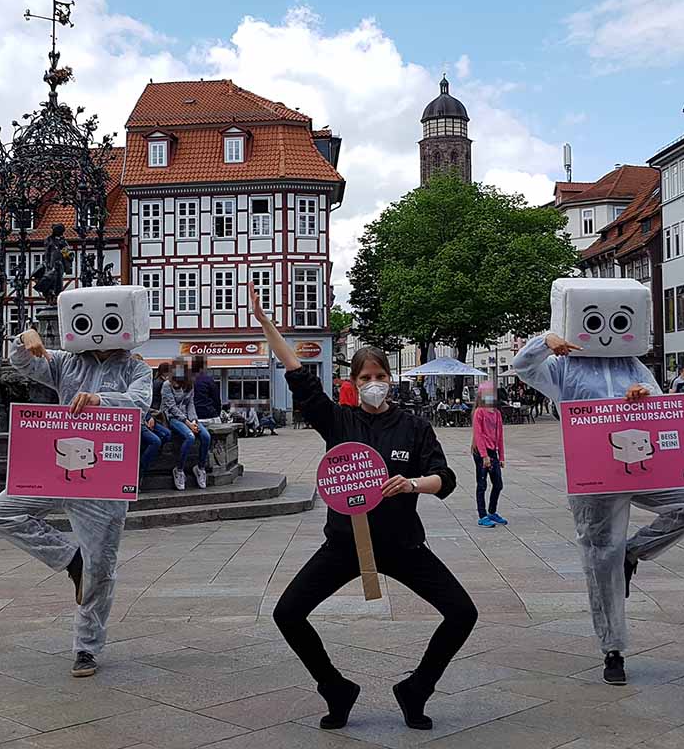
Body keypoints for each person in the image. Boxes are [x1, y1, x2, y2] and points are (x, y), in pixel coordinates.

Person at [251, 282, 476, 732]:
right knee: (288, 613)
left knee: (462, 613)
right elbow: (298, 372)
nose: (373, 384)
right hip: (344, 544)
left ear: (390, 379)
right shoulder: (340, 420)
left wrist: (413, 483)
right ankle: (335, 687)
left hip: (402, 545)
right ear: (353, 383)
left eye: (380, 376)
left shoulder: (414, 425)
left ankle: (417, 688)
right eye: (364, 377)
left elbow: (444, 478)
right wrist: (266, 324)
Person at [512, 277, 684, 686]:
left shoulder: (632, 365)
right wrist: (545, 340)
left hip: (642, 465)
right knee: (599, 558)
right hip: (594, 478)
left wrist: (644, 396)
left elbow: (662, 407)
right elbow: (523, 367)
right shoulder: (563, 367)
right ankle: (613, 649)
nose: (607, 332)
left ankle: (634, 551)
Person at [0, 286, 152, 678]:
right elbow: (24, 364)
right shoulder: (64, 362)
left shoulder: (136, 367)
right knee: (0, 513)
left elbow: (140, 402)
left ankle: (86, 649)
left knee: (102, 567)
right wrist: (24, 339)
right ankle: (68, 558)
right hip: (56, 465)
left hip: (104, 480)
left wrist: (101, 401)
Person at [162, 359, 211, 490]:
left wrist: (194, 420)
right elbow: (171, 407)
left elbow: (191, 403)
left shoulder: (189, 384)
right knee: (190, 437)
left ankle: (200, 468)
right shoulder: (167, 385)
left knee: (206, 437)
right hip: (173, 417)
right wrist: (188, 423)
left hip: (189, 417)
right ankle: (179, 470)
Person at [471, 381, 506, 528]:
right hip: (481, 452)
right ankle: (482, 515)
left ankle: (492, 511)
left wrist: (502, 456)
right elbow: (478, 435)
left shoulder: (497, 414)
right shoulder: (479, 412)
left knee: (498, 484)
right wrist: (484, 456)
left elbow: (500, 436)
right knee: (482, 484)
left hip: (493, 452)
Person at [191, 356, 223, 424]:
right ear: (203, 366)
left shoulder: (187, 381)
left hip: (193, 417)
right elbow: (216, 400)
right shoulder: (208, 380)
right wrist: (217, 413)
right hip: (209, 415)